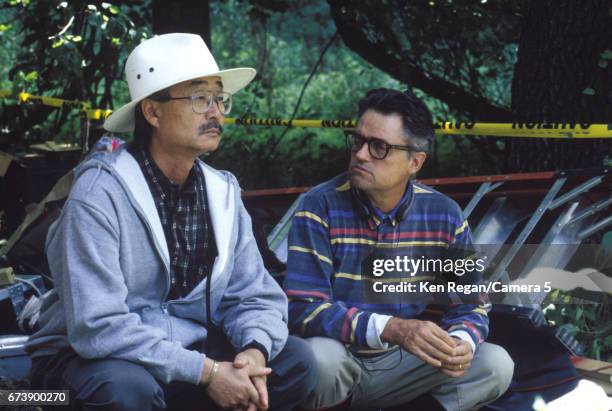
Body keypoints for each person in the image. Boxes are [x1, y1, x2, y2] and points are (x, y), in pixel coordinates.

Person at [26, 33, 316, 411]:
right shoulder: (99, 195)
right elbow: (98, 326)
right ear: (152, 112)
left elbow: (254, 295)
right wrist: (208, 372)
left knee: (295, 362)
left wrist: (254, 353)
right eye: (199, 98)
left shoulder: (222, 192)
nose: (216, 112)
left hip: (187, 347)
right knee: (127, 391)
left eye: (219, 98)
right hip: (89, 356)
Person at [284, 88, 514, 411]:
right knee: (319, 359)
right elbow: (304, 309)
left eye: (379, 147)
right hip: (342, 357)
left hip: (404, 363)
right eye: (358, 141)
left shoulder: (443, 214)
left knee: (494, 364)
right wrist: (392, 328)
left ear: (415, 162)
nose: (361, 154)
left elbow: (472, 303)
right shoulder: (318, 205)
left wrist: (462, 341)